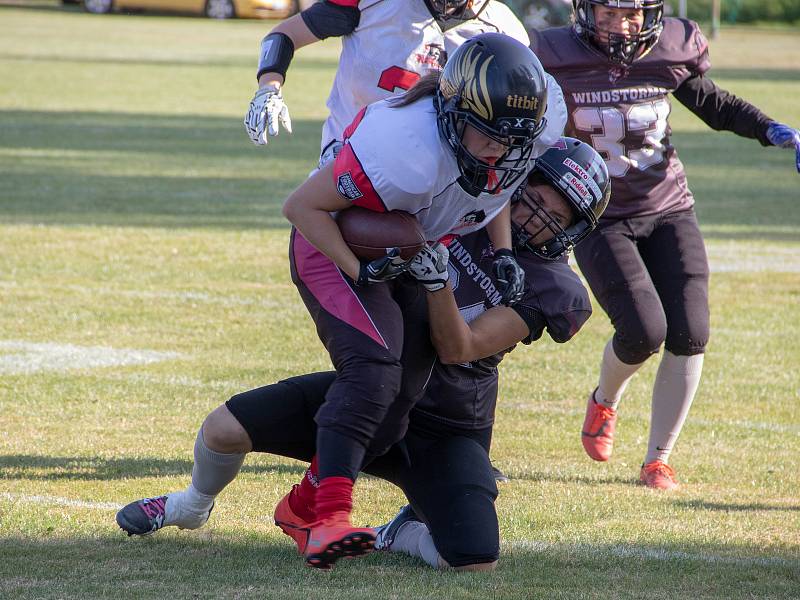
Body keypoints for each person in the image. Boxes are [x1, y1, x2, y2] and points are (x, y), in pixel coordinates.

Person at [115, 139, 611, 571]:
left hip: (446, 424)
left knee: (471, 556)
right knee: (222, 430)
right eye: (536, 198)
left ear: (570, 231)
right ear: (517, 182)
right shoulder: (463, 203)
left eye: (556, 217)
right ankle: (192, 505)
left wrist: (436, 284)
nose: (535, 216)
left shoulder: (554, 288)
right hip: (377, 393)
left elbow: (459, 347)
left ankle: (396, 534)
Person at [243, 0, 570, 483]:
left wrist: (502, 249)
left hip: (445, 197)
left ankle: (451, 451)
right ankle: (314, 468)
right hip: (363, 185)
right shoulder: (375, 5)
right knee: (375, 364)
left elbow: (506, 146)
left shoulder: (502, 27)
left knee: (436, 343)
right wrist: (268, 87)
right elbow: (285, 34)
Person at [530, 0, 800, 490]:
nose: (622, 24)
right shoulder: (552, 54)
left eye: (632, 14)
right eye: (609, 13)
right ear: (584, 13)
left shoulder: (668, 50)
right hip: (599, 214)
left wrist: (772, 131)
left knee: (691, 331)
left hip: (668, 205)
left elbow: (712, 102)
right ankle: (605, 400)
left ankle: (658, 458)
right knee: (642, 331)